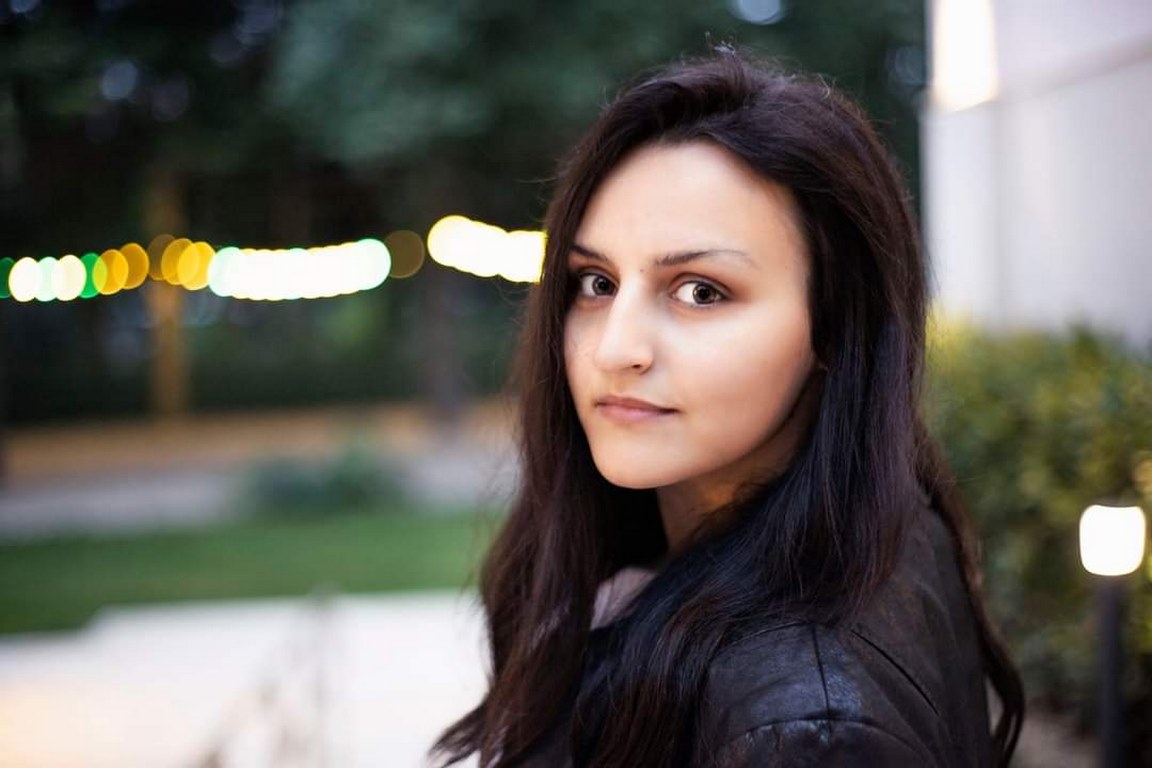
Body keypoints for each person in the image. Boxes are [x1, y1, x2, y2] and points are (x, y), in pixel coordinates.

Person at [433, 47, 1025, 767]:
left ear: (836, 325)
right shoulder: (878, 517)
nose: (615, 348)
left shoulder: (805, 735)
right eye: (596, 282)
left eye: (701, 291)